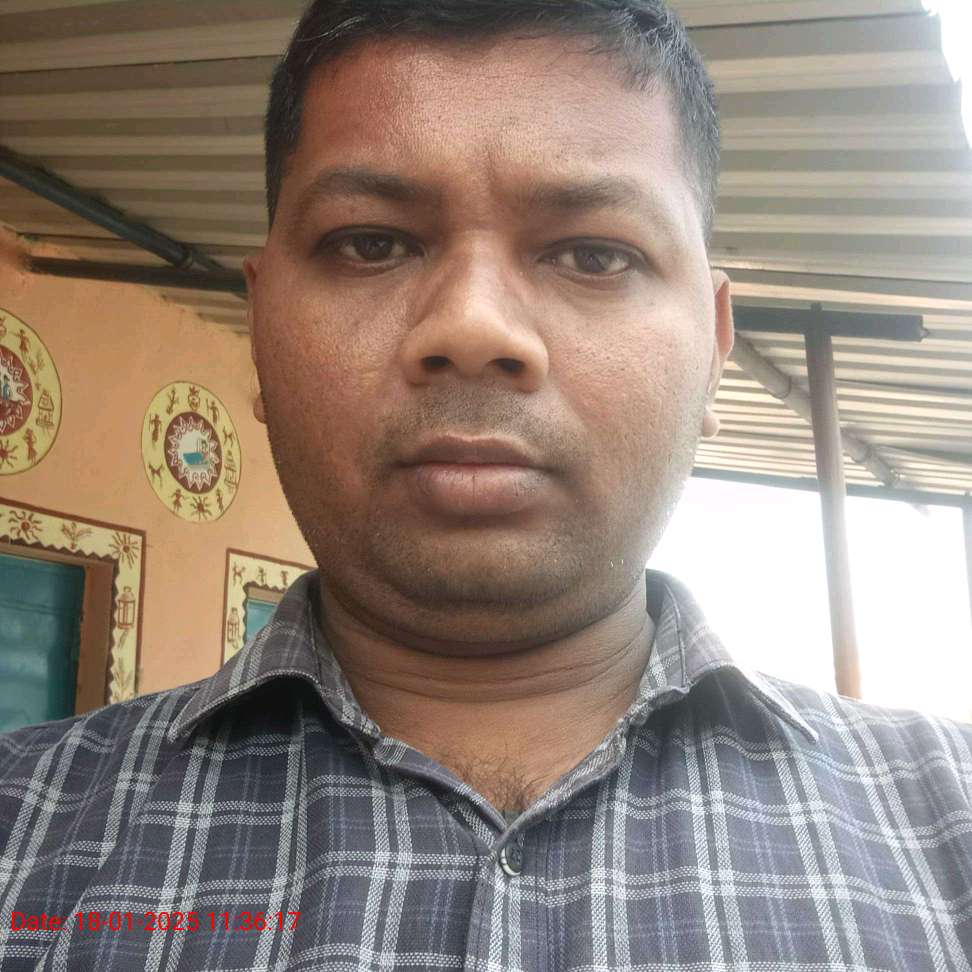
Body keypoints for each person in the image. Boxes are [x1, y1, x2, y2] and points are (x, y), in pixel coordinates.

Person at [1, 1, 970, 969]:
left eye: (594, 254)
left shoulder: (950, 825)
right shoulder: (23, 836)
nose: (472, 327)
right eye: (370, 242)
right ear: (259, 332)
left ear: (715, 351)